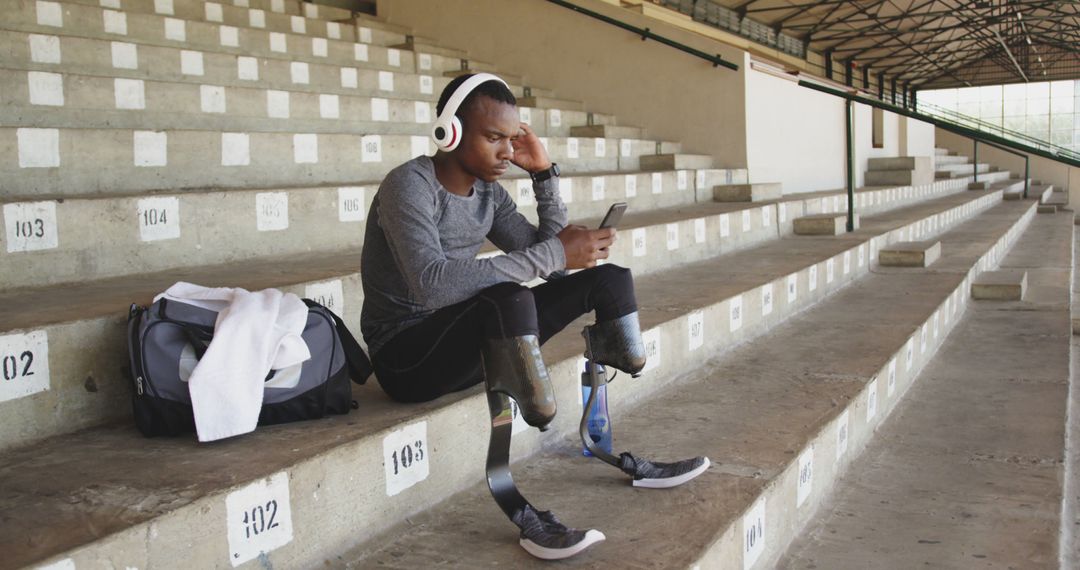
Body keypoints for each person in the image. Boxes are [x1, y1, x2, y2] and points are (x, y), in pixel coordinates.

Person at [360, 73, 707, 560]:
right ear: (449, 133)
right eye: (494, 137)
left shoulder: (489, 194)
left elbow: (543, 255)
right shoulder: (408, 186)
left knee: (607, 279)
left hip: (463, 335)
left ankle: (610, 442)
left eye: (512, 138)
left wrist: (544, 177)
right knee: (508, 298)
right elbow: (433, 284)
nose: (506, 151)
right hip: (406, 357)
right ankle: (516, 484)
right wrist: (554, 255)